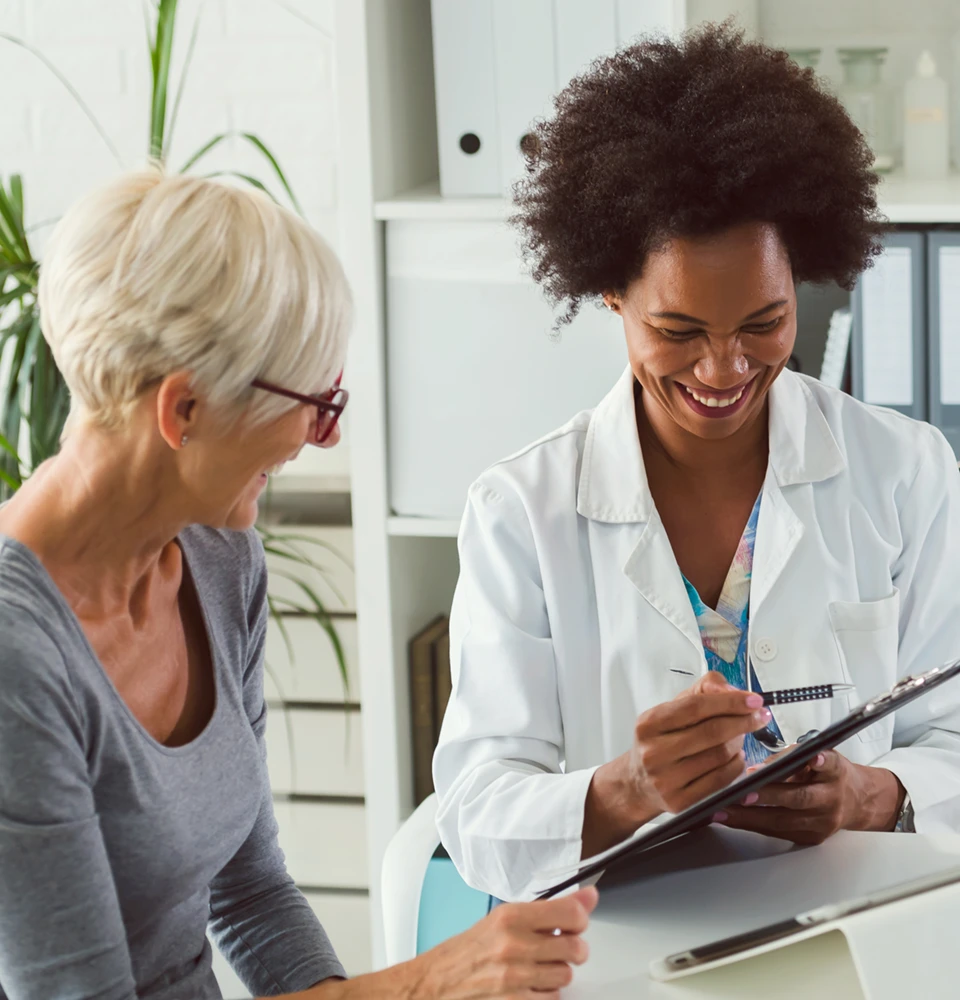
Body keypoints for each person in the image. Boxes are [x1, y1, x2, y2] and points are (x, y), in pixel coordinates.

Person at [0, 169, 597, 1000]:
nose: (325, 435)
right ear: (183, 411)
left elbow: (250, 895)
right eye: (315, 403)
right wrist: (421, 986)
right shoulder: (15, 657)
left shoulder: (215, 560)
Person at [433, 23, 960, 903]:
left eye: (764, 324)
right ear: (611, 291)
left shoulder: (904, 470)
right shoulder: (521, 512)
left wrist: (874, 795)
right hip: (628, 945)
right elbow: (478, 813)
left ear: (803, 280)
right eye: (677, 333)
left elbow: (951, 738)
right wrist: (624, 792)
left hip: (864, 921)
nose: (724, 370)